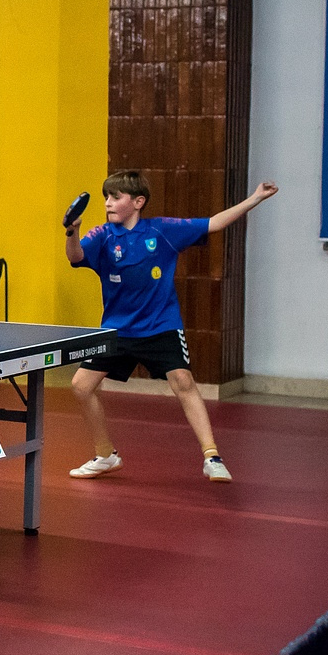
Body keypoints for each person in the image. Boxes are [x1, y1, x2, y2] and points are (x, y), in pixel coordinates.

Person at [64, 170, 278, 483]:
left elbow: (214, 223)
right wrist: (71, 232)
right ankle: (105, 454)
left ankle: (212, 456)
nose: (108, 203)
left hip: (160, 325)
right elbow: (75, 256)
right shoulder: (102, 235)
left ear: (138, 202)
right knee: (81, 386)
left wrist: (255, 198)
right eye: (106, 197)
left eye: (115, 197)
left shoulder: (162, 230)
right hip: (117, 330)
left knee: (183, 381)